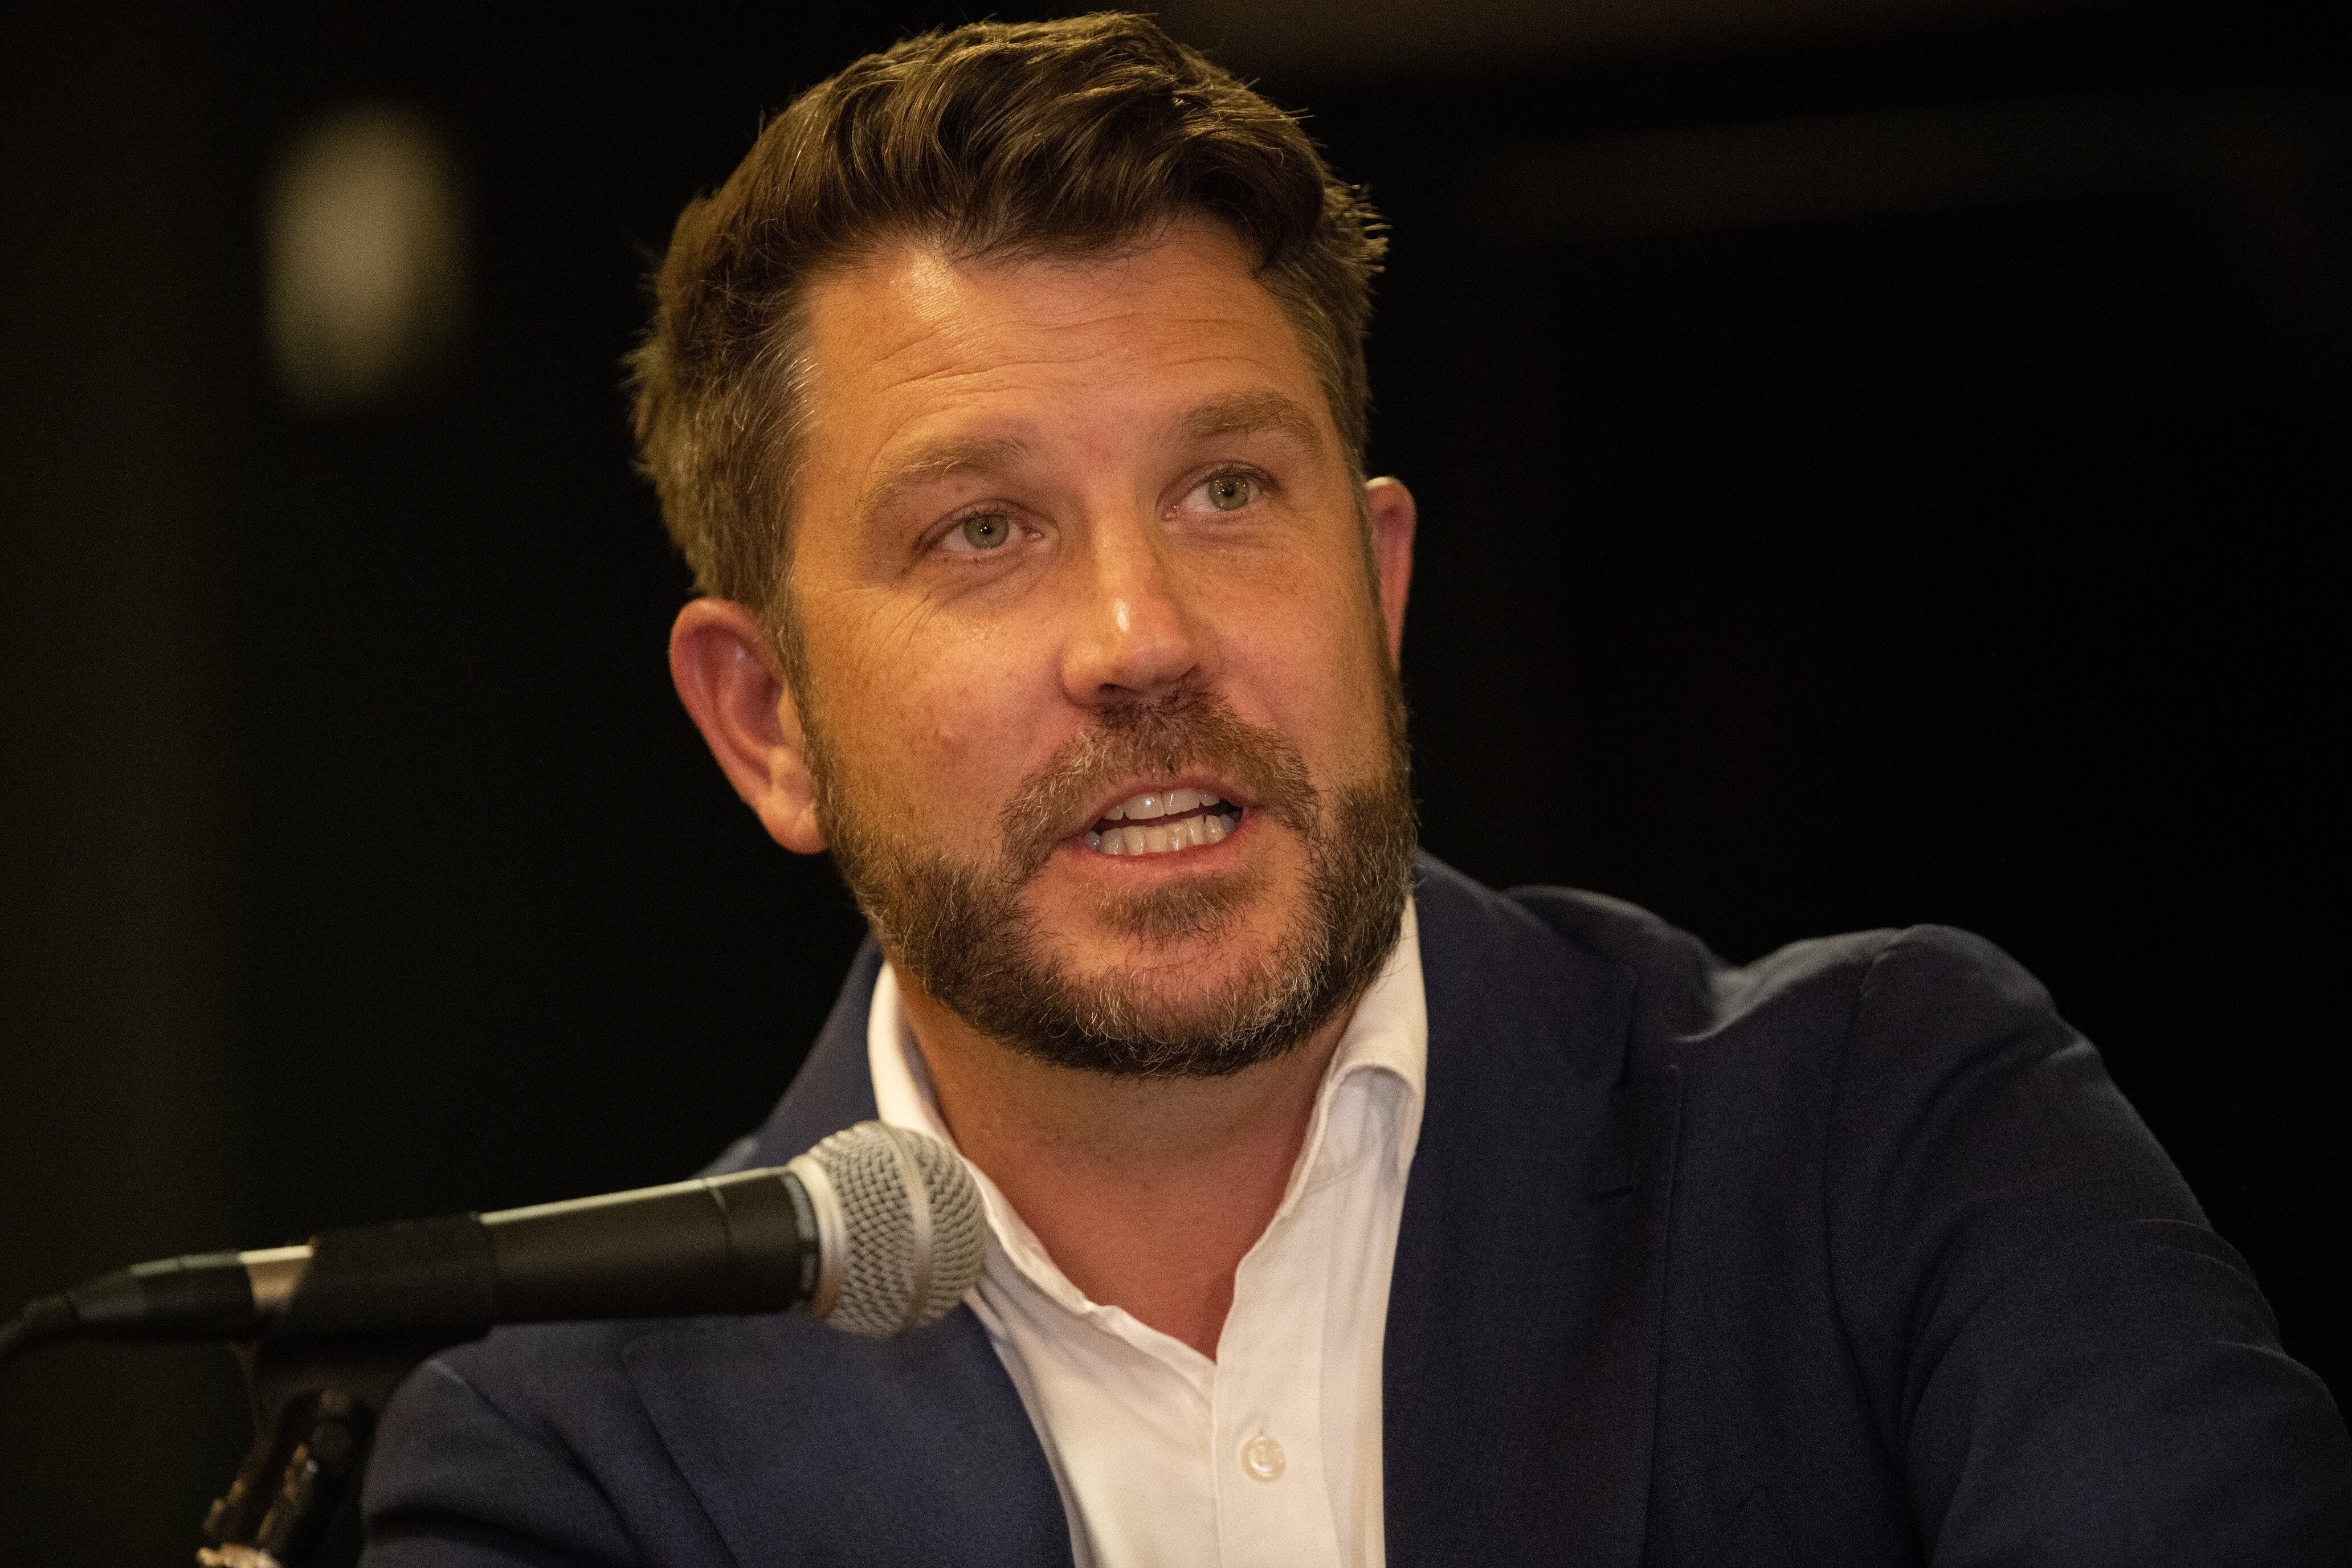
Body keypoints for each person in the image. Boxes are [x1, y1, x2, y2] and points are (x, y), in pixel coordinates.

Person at [358, 14, 2349, 1566]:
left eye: (1230, 493)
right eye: (983, 531)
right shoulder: (572, 1448)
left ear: (1377, 585)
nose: (1141, 632)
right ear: (763, 721)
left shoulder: (1891, 1129)